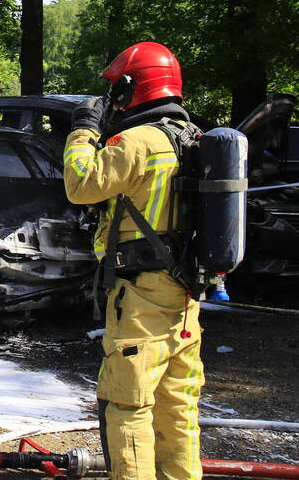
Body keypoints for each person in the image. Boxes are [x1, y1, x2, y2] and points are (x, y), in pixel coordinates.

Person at [62, 42, 203, 480]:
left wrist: (83, 132)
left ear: (131, 87)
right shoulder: (194, 138)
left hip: (140, 295)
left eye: (115, 89)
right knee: (177, 406)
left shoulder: (139, 141)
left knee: (127, 403)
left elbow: (80, 185)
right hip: (185, 297)